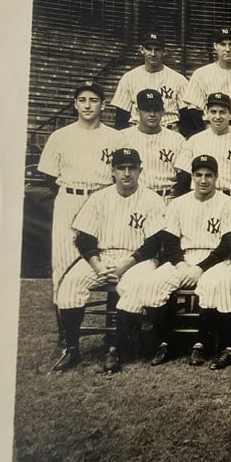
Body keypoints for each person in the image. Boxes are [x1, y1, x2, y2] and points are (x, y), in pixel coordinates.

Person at [115, 154, 231, 369]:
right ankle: (165, 342)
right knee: (153, 285)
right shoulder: (178, 204)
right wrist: (182, 265)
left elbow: (227, 245)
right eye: (198, 175)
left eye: (209, 175)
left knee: (211, 286)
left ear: (216, 177)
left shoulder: (227, 203)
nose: (203, 180)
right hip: (184, 257)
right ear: (192, 176)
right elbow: (170, 242)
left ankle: (201, 344)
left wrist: (200, 269)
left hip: (214, 260)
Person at [51, 148, 167, 373]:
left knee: (135, 289)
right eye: (121, 168)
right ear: (112, 171)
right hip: (101, 257)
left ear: (140, 170)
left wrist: (126, 264)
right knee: (70, 285)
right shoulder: (99, 198)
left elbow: (154, 243)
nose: (126, 173)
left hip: (137, 259)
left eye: (131, 168)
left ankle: (115, 349)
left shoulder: (152, 199)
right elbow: (84, 238)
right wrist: (96, 264)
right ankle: (72, 350)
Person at [36, 80, 121, 306]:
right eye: (82, 100)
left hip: (102, 198)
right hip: (70, 198)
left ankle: (111, 331)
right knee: (64, 261)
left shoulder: (115, 137)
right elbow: (48, 174)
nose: (87, 105)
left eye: (93, 101)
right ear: (75, 104)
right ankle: (67, 332)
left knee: (111, 257)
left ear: (103, 106)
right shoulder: (60, 136)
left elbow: (122, 173)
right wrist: (72, 191)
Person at [180, 26, 231, 139]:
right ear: (215, 46)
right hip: (213, 131)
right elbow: (194, 111)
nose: (227, 49)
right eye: (223, 44)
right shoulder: (201, 74)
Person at [115, 89, 192, 200]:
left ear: (163, 111)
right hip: (134, 198)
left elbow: (185, 176)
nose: (152, 114)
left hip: (166, 197)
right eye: (146, 110)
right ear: (137, 111)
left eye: (156, 110)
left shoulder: (177, 140)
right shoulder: (122, 137)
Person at [186, 93, 231, 199]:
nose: (218, 116)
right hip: (204, 200)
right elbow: (184, 178)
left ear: (230, 113)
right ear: (206, 113)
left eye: (222, 112)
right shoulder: (194, 141)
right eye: (213, 112)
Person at [110, 29, 189, 131]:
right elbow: (121, 118)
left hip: (169, 132)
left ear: (164, 52)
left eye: (157, 49)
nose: (153, 53)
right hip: (136, 132)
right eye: (149, 49)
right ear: (142, 49)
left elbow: (186, 117)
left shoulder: (179, 80)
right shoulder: (129, 78)